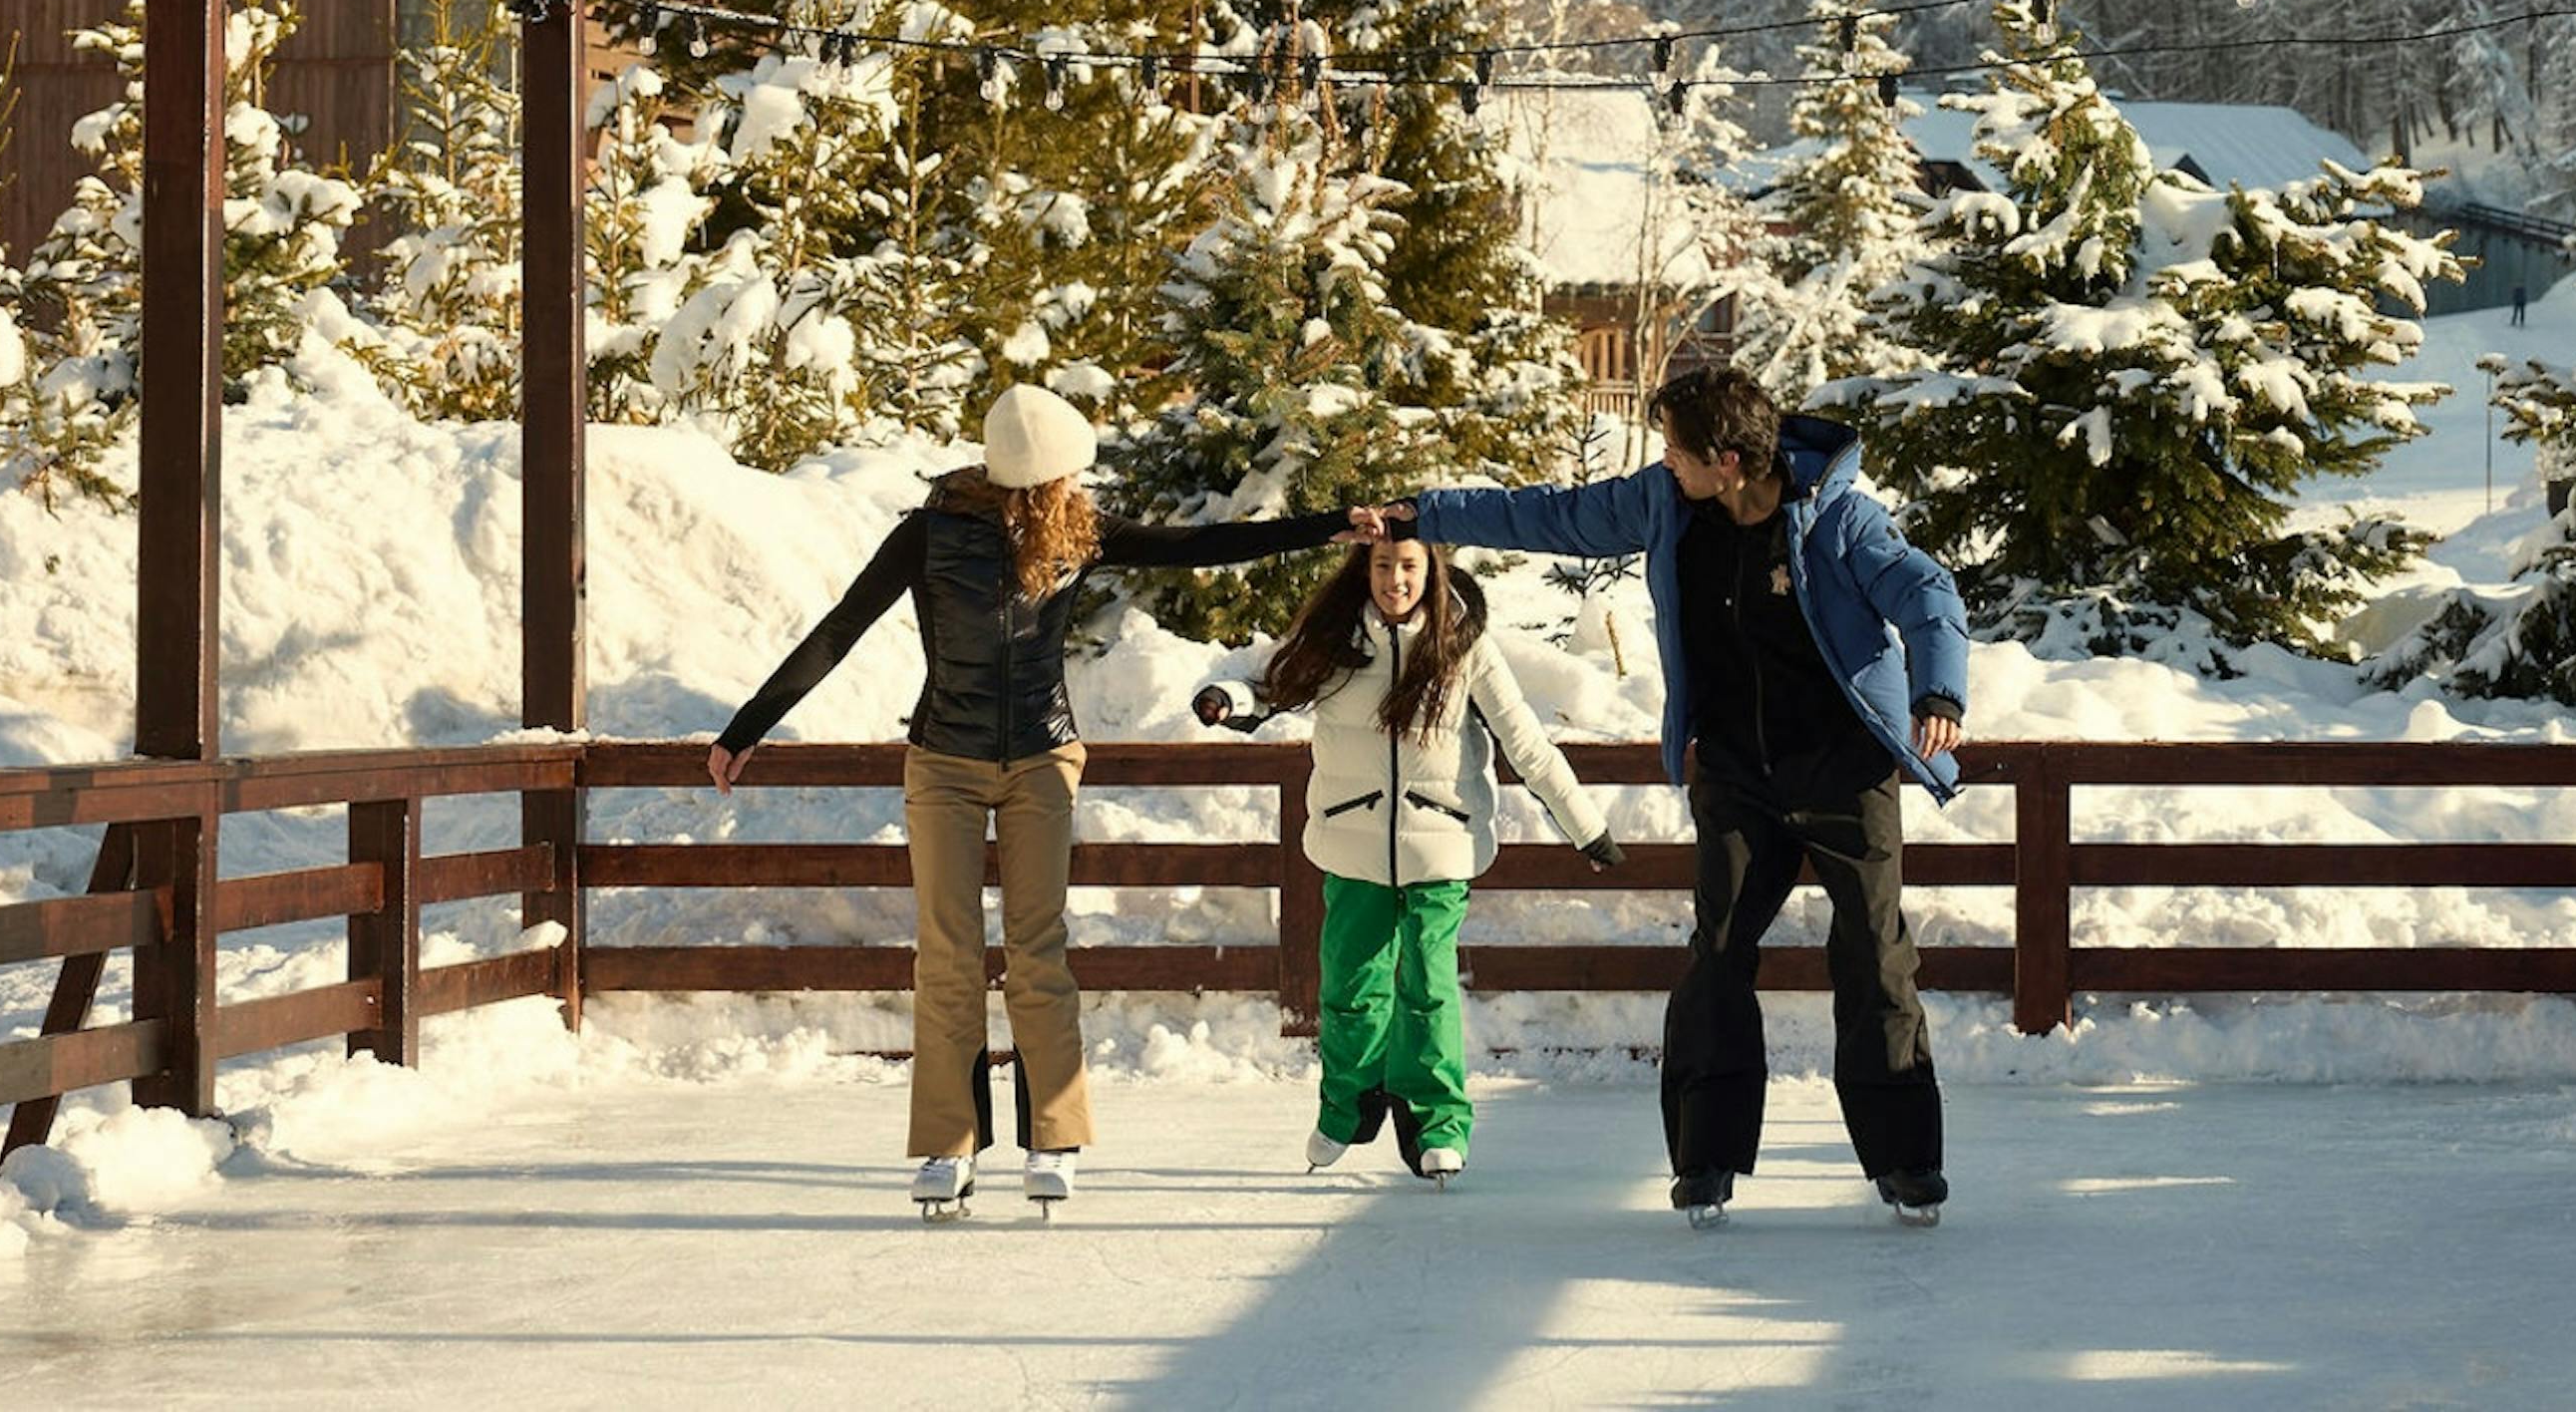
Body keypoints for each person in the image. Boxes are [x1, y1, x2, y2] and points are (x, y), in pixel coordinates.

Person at [709, 383, 1347, 1220]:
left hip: (1044, 757)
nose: (1074, 488)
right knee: (946, 954)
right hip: (944, 760)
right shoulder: (927, 535)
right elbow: (840, 628)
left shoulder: (1079, 533)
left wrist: (1329, 525)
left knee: (1038, 949)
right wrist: (748, 726)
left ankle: (1054, 1137)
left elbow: (1203, 543)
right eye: (1065, 475)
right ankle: (948, 1145)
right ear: (1041, 474)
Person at [1363, 361, 1971, 1229]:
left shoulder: (1838, 518)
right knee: (1718, 951)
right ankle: (1707, 1160)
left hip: (1841, 767)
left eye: (1677, 451)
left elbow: (1927, 593)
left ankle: (1907, 1163)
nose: (1666, 463)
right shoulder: (1665, 503)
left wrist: (1937, 694)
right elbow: (1555, 515)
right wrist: (1425, 514)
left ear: (1728, 459)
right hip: (1734, 770)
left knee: (1873, 954)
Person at [1192, 531, 1625, 1184]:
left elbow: (1526, 740)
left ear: (1433, 571)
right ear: (1365, 571)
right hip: (1353, 839)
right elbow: (1271, 685)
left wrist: (1586, 827)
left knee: (1427, 984)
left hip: (1441, 842)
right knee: (1349, 987)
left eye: (1410, 567)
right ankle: (1346, 1109)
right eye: (1384, 566)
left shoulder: (1463, 645)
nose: (1396, 580)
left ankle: (1437, 1122)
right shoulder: (1338, 641)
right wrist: (1229, 700)